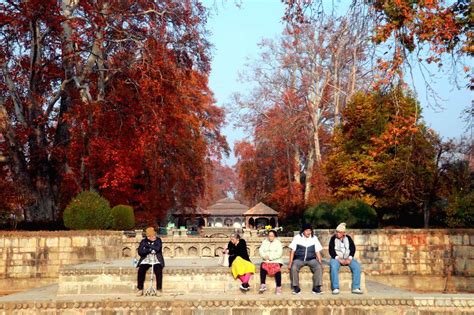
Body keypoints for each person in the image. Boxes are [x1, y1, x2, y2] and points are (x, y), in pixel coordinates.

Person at [288, 223, 324, 295]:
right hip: (299, 259)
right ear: (303, 231)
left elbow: (317, 251)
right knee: (294, 267)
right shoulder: (297, 237)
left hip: (311, 259)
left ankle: (316, 288)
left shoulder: (314, 238)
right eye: (307, 230)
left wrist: (320, 262)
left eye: (310, 230)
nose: (308, 232)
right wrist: (290, 263)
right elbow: (292, 251)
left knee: (319, 267)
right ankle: (296, 287)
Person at [329, 222, 363, 294]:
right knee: (333, 266)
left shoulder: (348, 238)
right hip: (336, 258)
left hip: (348, 258)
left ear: (343, 233)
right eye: (337, 232)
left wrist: (350, 258)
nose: (337, 233)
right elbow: (331, 250)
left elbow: (352, 248)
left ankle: (356, 287)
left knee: (356, 266)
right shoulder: (333, 239)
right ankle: (335, 288)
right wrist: (338, 258)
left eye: (339, 232)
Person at [136, 227, 165, 296]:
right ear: (148, 237)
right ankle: (140, 289)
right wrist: (149, 250)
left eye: (154, 235)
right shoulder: (143, 241)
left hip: (156, 259)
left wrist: (148, 246)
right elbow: (140, 252)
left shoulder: (158, 240)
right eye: (152, 236)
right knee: (141, 270)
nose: (154, 237)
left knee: (158, 270)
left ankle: (159, 289)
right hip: (146, 259)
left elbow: (157, 248)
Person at [258, 230, 283, 294]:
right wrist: (264, 256)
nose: (270, 237)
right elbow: (261, 250)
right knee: (262, 266)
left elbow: (279, 253)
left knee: (277, 269)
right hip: (266, 260)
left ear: (275, 236)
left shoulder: (278, 243)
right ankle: (263, 284)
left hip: (276, 260)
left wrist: (270, 258)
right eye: (269, 236)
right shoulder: (265, 242)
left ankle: (278, 287)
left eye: (272, 236)